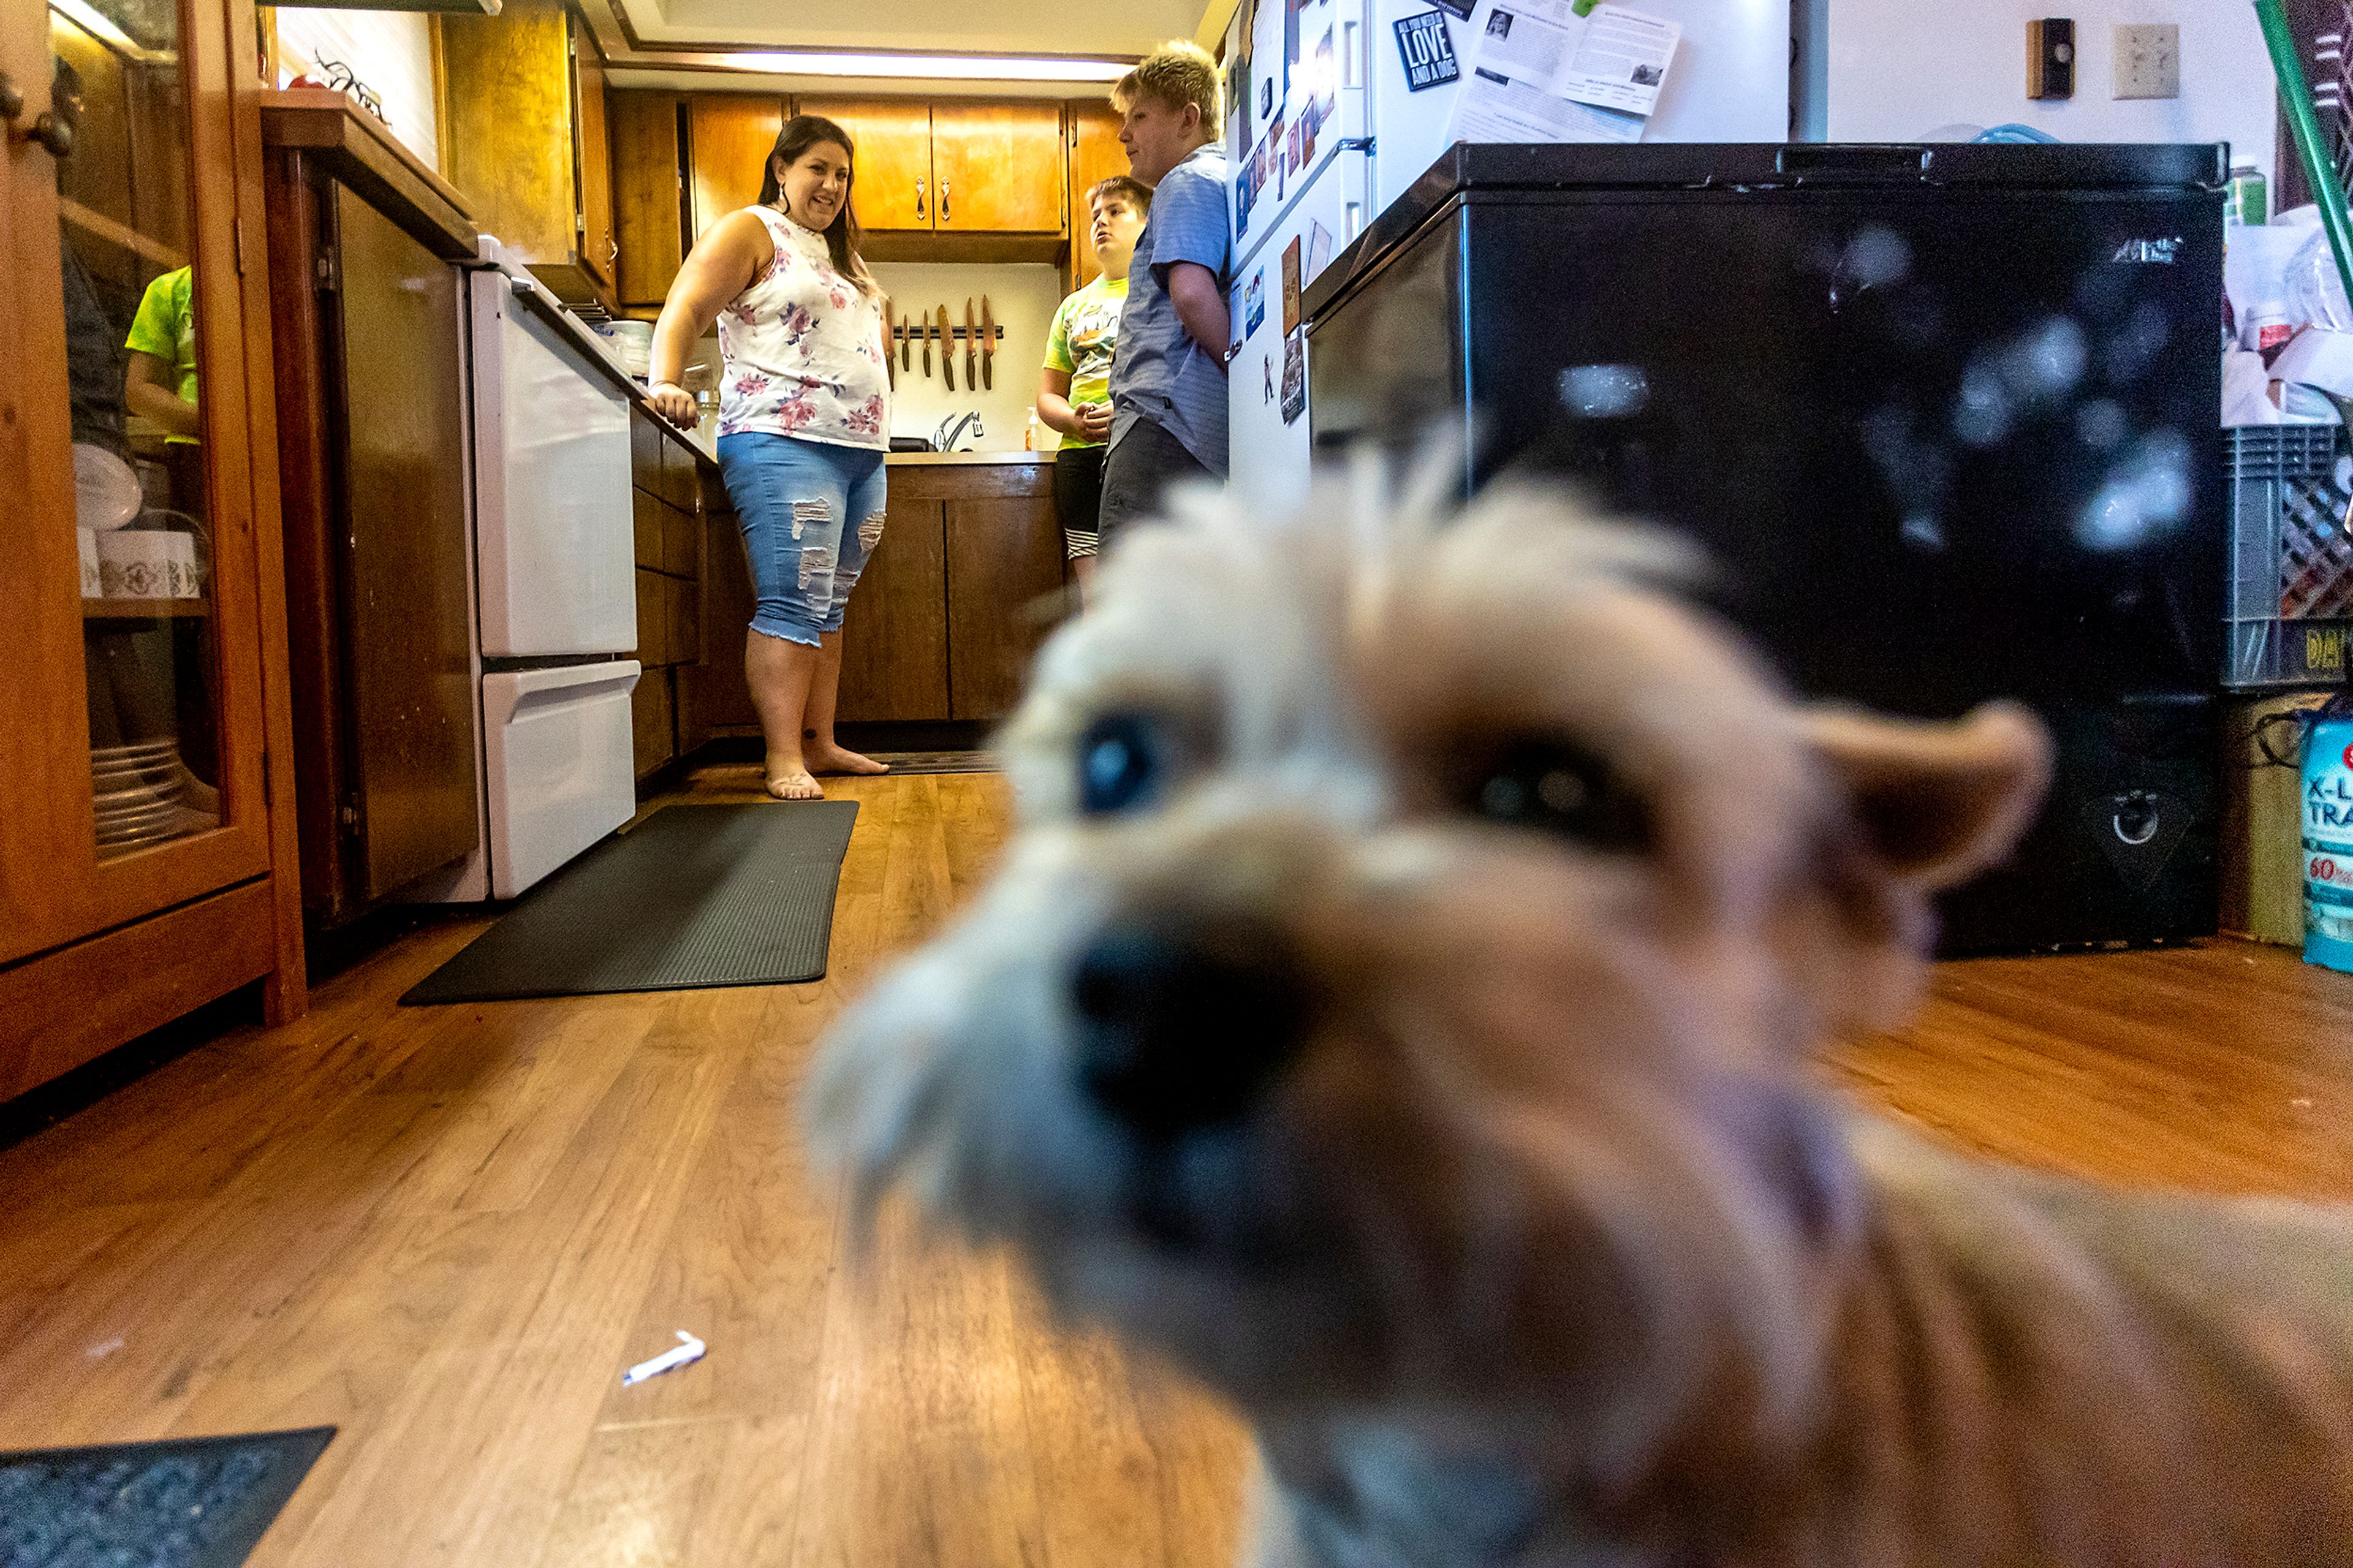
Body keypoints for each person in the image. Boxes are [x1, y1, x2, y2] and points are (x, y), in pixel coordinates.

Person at [646, 115, 895, 801]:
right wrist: (665, 380)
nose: (832, 184)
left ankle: (822, 744)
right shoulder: (751, 230)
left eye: (843, 174)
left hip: (859, 451)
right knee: (794, 598)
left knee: (830, 602)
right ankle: (784, 756)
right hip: (782, 438)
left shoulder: (843, 257)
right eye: (818, 167)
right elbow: (687, 305)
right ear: (782, 168)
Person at [1098, 40, 1233, 549]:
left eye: (1140, 116)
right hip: (1189, 430)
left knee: (1133, 608)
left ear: (1187, 118)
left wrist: (1245, 378)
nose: (1124, 133)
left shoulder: (1187, 180)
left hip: (1161, 427)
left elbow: (1193, 295)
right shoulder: (1220, 178)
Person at [1037, 175, 1150, 603]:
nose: (1101, 222)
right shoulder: (1072, 306)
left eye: (1116, 211)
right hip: (1079, 458)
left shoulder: (1160, 290)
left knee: (1144, 588)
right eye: (1095, 216)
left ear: (1145, 222)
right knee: (1096, 594)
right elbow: (1048, 396)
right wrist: (1073, 421)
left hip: (1140, 450)